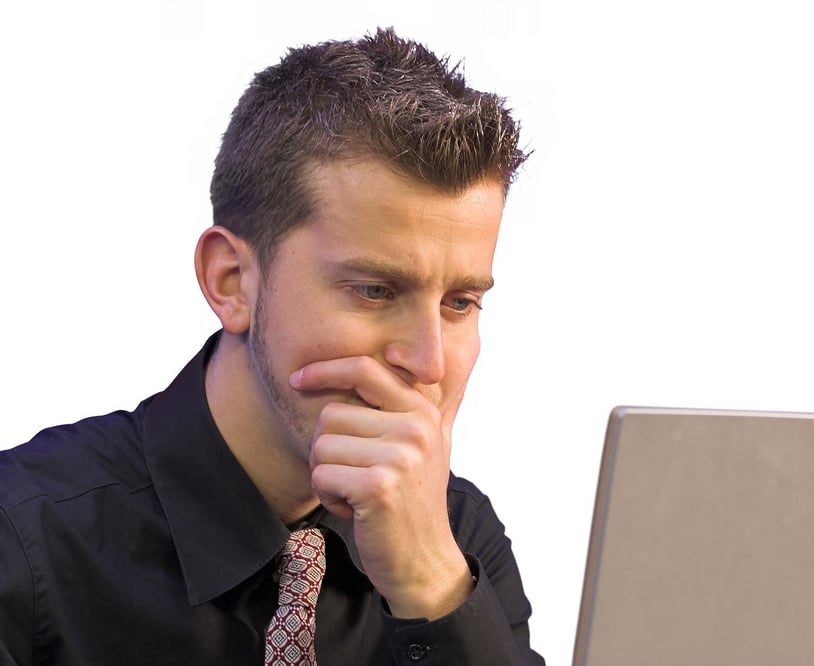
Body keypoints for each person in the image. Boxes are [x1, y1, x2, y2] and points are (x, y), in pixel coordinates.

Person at [0, 27, 543, 665]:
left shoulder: (457, 538)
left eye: (459, 304)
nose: (429, 363)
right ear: (231, 282)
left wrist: (432, 587)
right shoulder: (22, 539)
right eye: (374, 290)